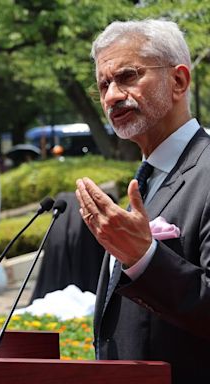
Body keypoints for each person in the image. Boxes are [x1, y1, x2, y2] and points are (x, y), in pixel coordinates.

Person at [75, 19, 209, 383]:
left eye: (128, 76)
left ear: (179, 81)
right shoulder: (146, 179)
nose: (112, 96)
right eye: (104, 84)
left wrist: (145, 258)